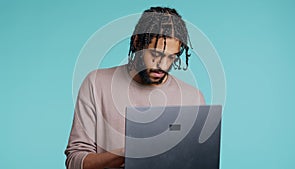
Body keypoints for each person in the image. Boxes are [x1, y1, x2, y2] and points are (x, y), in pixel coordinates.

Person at [65, 6, 205, 169]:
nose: (163, 66)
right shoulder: (96, 84)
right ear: (137, 42)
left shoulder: (192, 98)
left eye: (171, 57)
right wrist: (126, 154)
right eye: (155, 54)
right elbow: (74, 162)